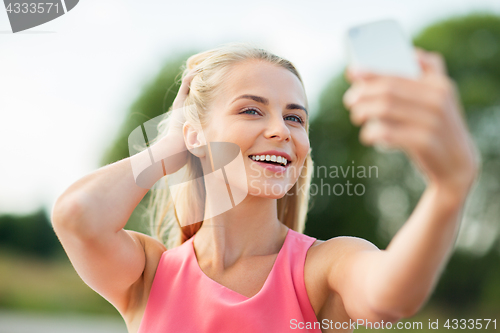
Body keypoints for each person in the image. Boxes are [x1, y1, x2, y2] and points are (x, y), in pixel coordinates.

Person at [51, 43, 478, 333]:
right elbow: (77, 216)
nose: (280, 130)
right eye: (252, 110)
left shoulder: (323, 268)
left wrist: (447, 189)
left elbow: (391, 296)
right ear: (194, 136)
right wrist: (168, 147)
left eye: (295, 118)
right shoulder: (149, 274)